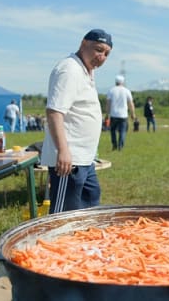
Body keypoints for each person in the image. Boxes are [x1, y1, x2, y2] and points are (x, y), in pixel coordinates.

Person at [40, 28, 113, 214]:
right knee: (64, 213)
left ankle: (82, 241)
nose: (102, 57)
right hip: (69, 160)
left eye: (106, 53)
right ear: (83, 44)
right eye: (98, 49)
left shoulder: (86, 70)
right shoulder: (69, 70)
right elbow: (55, 112)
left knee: (91, 198)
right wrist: (63, 150)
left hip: (85, 159)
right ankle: (58, 242)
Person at [105, 74, 135, 150]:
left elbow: (108, 103)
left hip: (114, 114)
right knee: (122, 131)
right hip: (123, 115)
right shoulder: (126, 91)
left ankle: (114, 144)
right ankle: (120, 146)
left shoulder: (111, 90)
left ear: (116, 82)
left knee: (113, 131)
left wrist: (107, 114)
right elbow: (131, 103)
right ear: (123, 82)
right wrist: (132, 114)